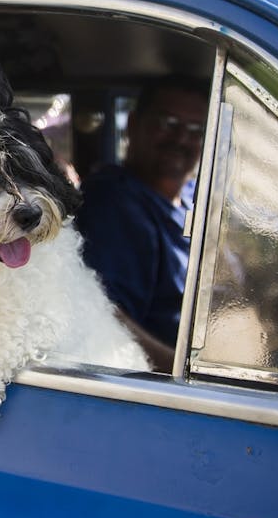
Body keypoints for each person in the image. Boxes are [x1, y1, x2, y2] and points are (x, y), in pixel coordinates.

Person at [76, 77, 209, 369]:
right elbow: (103, 314)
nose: (181, 139)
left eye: (196, 130)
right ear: (133, 125)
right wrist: (183, 374)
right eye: (167, 122)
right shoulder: (114, 203)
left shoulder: (194, 196)